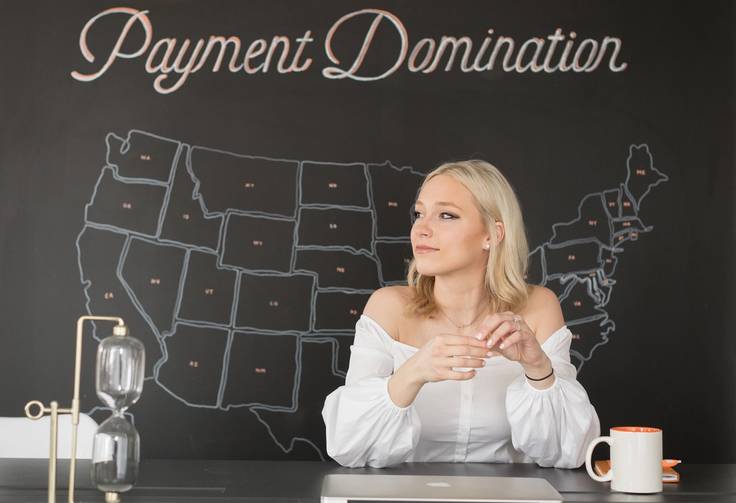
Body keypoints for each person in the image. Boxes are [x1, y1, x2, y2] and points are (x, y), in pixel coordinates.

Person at [322, 159, 601, 468]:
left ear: (492, 235)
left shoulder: (539, 308)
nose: (421, 229)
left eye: (446, 215)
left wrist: (538, 367)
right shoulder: (388, 307)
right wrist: (413, 373)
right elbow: (348, 446)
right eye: (419, 214)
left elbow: (569, 453)